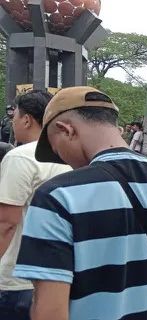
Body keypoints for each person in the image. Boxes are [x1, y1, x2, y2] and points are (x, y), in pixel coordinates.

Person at [13, 86, 147, 320]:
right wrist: (134, 278)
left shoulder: (56, 196)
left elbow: (49, 313)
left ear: (66, 130)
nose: (63, 160)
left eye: (57, 150)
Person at [0, 91, 71, 320]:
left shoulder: (21, 157)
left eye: (15, 118)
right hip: (54, 277)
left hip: (14, 279)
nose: (14, 123)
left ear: (27, 119)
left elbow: (5, 224)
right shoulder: (69, 155)